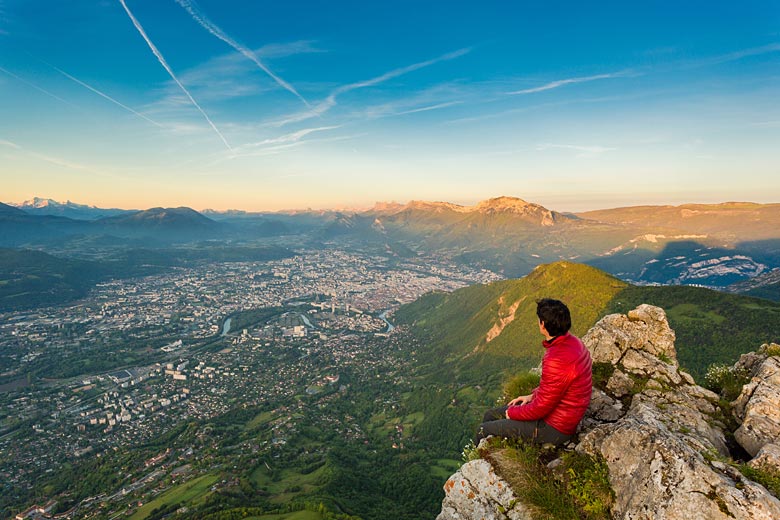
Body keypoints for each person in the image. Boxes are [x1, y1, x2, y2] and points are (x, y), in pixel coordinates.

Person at [474, 298, 592, 446]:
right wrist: (532, 396)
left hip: (554, 427)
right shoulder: (574, 342)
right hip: (563, 416)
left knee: (482, 430)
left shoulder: (556, 359)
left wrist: (510, 413)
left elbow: (540, 409)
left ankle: (485, 457)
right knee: (490, 415)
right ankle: (501, 445)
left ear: (543, 324)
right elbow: (556, 388)